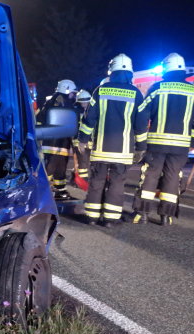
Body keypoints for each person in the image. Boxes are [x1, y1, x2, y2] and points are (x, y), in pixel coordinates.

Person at [132, 53, 194, 225]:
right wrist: (193, 142)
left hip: (156, 143)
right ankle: (166, 217)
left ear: (166, 69)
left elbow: (142, 114)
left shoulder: (157, 88)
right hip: (181, 146)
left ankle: (142, 214)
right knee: (172, 177)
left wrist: (141, 142)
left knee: (150, 175)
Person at [77, 53, 146, 226]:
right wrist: (141, 147)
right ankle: (110, 219)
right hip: (123, 152)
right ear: (130, 73)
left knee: (97, 181)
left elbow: (89, 119)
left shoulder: (100, 90)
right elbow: (141, 124)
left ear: (111, 72)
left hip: (101, 148)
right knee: (117, 184)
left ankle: (92, 217)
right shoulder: (136, 94)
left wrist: (82, 140)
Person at [38, 79, 78, 200]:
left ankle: (60, 190)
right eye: (73, 93)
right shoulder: (59, 102)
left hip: (60, 144)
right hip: (54, 144)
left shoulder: (55, 102)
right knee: (50, 169)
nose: (74, 96)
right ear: (66, 91)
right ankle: (40, 192)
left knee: (60, 169)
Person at [73, 89, 94, 187]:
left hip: (91, 142)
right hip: (80, 142)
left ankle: (87, 181)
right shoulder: (77, 112)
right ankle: (82, 182)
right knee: (83, 163)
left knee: (90, 163)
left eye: (85, 102)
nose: (83, 105)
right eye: (82, 103)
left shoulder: (92, 111)